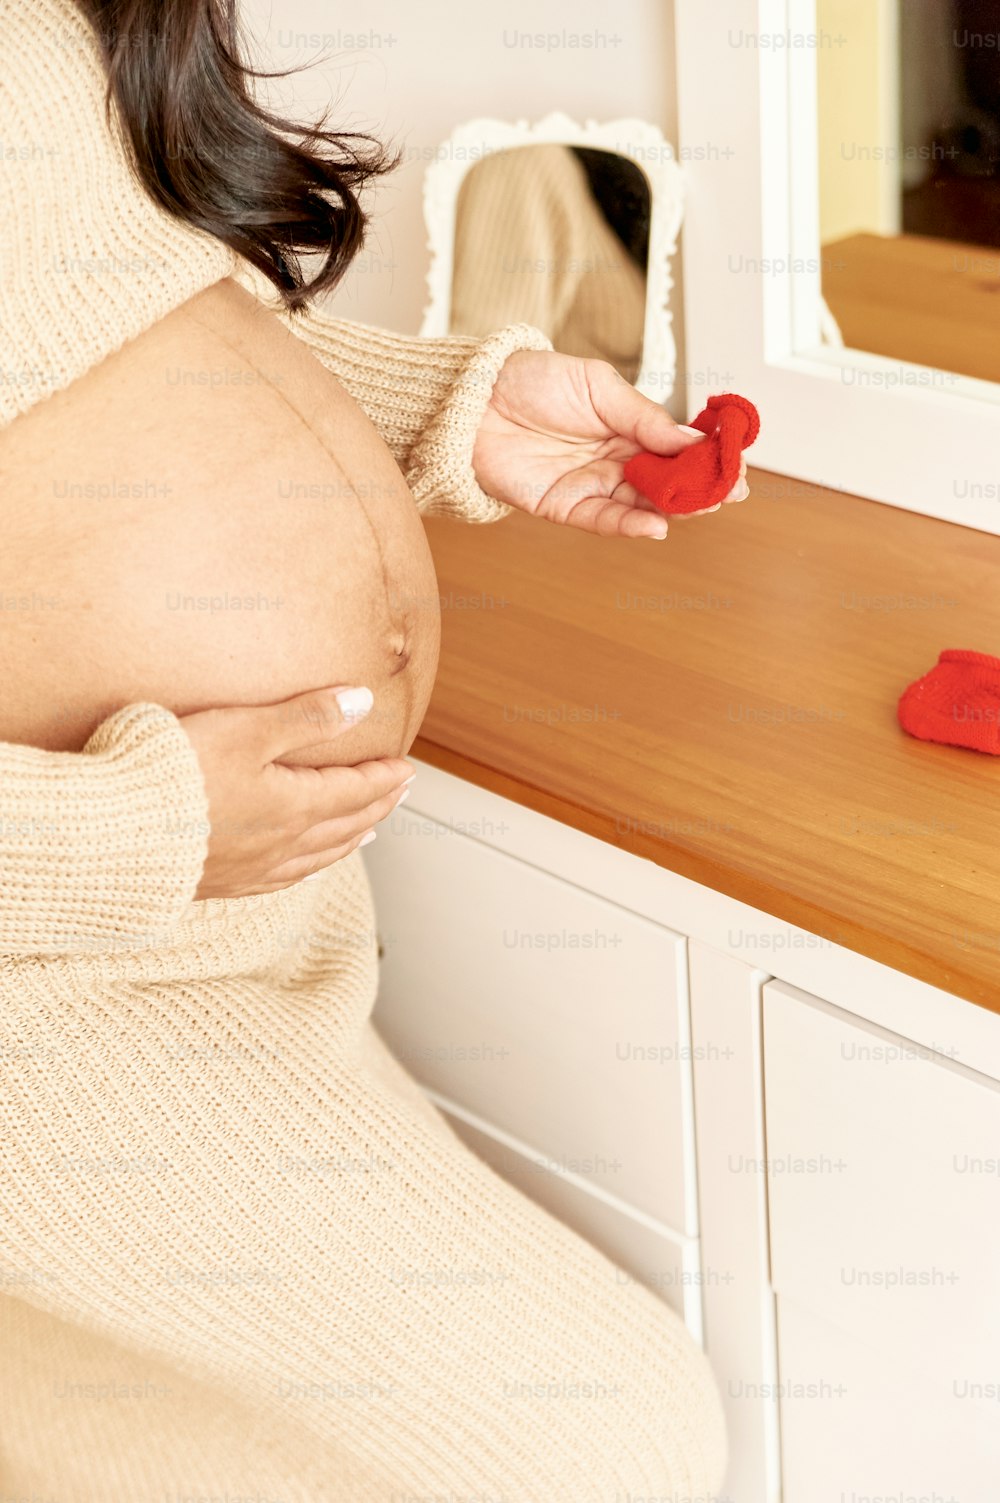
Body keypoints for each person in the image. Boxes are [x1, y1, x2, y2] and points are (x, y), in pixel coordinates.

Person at [0, 1, 741, 1497]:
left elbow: (92, 308)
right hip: (54, 992)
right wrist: (127, 836)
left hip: (236, 948)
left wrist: (438, 415)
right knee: (595, 1444)